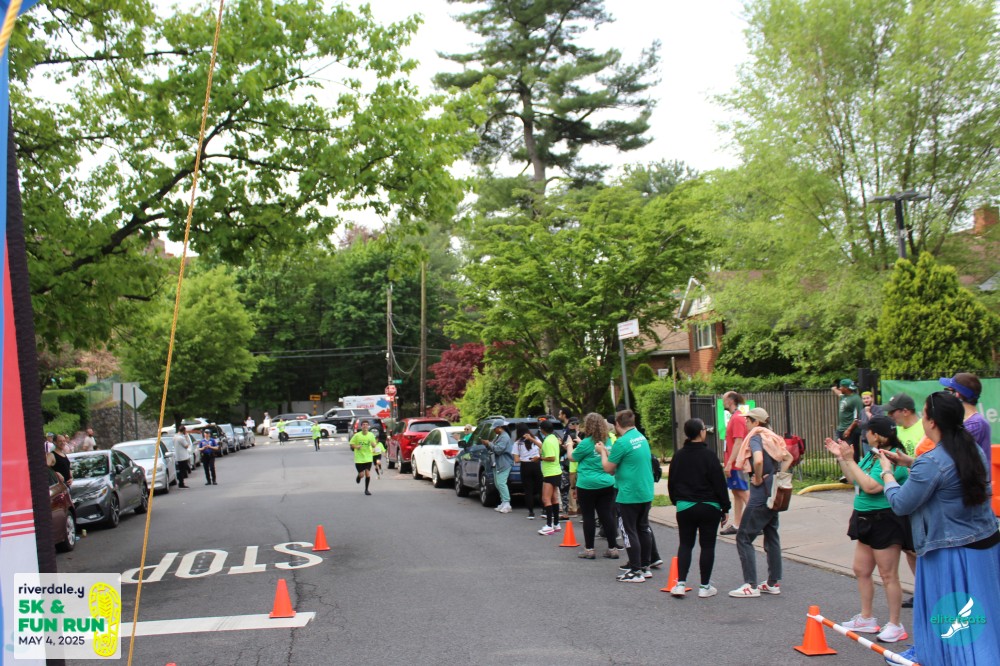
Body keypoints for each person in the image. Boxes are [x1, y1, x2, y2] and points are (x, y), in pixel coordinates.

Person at [878, 392, 1000, 665]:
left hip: (951, 552)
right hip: (985, 545)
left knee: (951, 614)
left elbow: (901, 504)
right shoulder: (972, 449)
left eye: (923, 414)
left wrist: (887, 473)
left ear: (932, 422)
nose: (922, 419)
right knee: (982, 614)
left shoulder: (932, 461)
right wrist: (910, 462)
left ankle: (947, 658)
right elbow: (947, 474)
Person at [824, 416, 909, 643]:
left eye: (868, 432)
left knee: (888, 574)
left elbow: (871, 487)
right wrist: (843, 458)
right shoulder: (872, 455)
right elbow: (855, 479)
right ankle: (866, 618)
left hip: (884, 519)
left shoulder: (893, 458)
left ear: (877, 435)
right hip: (864, 517)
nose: (865, 435)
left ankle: (896, 624)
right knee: (861, 569)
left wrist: (850, 460)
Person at [729, 407, 793, 598]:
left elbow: (757, 460)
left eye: (748, 420)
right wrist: (777, 476)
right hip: (773, 491)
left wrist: (757, 478)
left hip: (760, 493)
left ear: (756, 422)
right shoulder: (772, 437)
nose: (746, 423)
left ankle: (750, 585)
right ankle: (773, 582)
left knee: (743, 537)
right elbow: (788, 458)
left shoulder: (756, 437)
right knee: (771, 534)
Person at [668, 418, 730, 598]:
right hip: (709, 506)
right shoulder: (709, 456)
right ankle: (704, 587)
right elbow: (719, 484)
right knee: (707, 546)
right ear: (701, 432)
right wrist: (725, 507)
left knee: (685, 544)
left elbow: (672, 482)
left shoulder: (679, 456)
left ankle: (680, 584)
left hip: (685, 506)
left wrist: (676, 501)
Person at [596, 409, 654, 583]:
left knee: (629, 531)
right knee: (643, 528)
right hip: (645, 490)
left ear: (617, 424)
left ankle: (635, 571)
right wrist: (609, 453)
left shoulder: (621, 442)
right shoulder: (640, 437)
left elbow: (608, 468)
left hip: (629, 493)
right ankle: (645, 565)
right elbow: (626, 458)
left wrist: (602, 452)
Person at [570, 412, 619, 560]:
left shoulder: (586, 443)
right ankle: (613, 548)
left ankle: (589, 549)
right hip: (607, 482)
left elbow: (572, 457)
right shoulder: (608, 441)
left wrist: (569, 446)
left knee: (588, 516)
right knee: (606, 515)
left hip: (587, 484)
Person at [939, 373, 992, 480]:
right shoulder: (964, 421)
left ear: (957, 395)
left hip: (972, 488)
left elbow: (947, 457)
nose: (946, 395)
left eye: (948, 391)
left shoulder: (976, 424)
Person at [721, 391, 749, 535]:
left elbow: (738, 442)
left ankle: (758, 523)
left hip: (737, 463)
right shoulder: (735, 417)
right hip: (733, 463)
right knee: (737, 492)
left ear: (731, 400)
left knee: (743, 492)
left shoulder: (737, 418)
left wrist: (730, 463)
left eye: (724, 399)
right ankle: (737, 524)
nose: (722, 401)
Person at [537, 420, 563, 535]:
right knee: (554, 498)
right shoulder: (554, 438)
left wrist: (540, 458)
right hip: (556, 471)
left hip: (549, 473)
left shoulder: (547, 441)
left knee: (546, 499)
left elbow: (551, 457)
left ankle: (548, 525)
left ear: (543, 430)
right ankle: (556, 523)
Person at [482, 421, 514, 513]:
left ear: (500, 428)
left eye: (494, 428)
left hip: (504, 463)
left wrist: (489, 443)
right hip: (498, 463)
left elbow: (499, 450)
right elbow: (493, 447)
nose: (494, 430)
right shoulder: (499, 436)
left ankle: (507, 503)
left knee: (501, 483)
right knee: (497, 483)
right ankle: (503, 502)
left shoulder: (504, 437)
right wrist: (487, 444)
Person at [513, 424, 542, 519]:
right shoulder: (536, 439)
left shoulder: (517, 443)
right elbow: (542, 448)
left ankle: (531, 512)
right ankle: (545, 509)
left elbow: (516, 459)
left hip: (525, 466)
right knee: (540, 488)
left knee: (528, 490)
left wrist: (524, 457)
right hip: (536, 464)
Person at [834, 379, 864, 463]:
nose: (840, 388)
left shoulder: (856, 399)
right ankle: (844, 470)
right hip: (841, 428)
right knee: (840, 452)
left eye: (841, 387)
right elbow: (838, 393)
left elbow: (858, 417)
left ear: (846, 388)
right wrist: (833, 389)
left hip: (850, 430)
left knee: (851, 453)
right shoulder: (844, 396)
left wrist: (849, 429)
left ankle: (854, 469)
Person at [350, 420, 376, 495]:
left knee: (368, 474)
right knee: (362, 475)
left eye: (366, 424)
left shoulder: (371, 435)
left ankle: (366, 490)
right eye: (363, 424)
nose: (365, 426)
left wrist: (374, 445)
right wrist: (356, 446)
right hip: (359, 458)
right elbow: (351, 444)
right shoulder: (357, 435)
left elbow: (374, 444)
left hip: (368, 457)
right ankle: (359, 476)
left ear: (368, 426)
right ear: (361, 426)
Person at [858, 391, 883, 456]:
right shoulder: (862, 411)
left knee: (876, 458)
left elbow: (877, 422)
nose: (866, 400)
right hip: (865, 441)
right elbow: (861, 425)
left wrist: (868, 412)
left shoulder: (878, 409)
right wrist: (858, 423)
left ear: (872, 398)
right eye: (864, 399)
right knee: (868, 459)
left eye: (867, 398)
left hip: (875, 441)